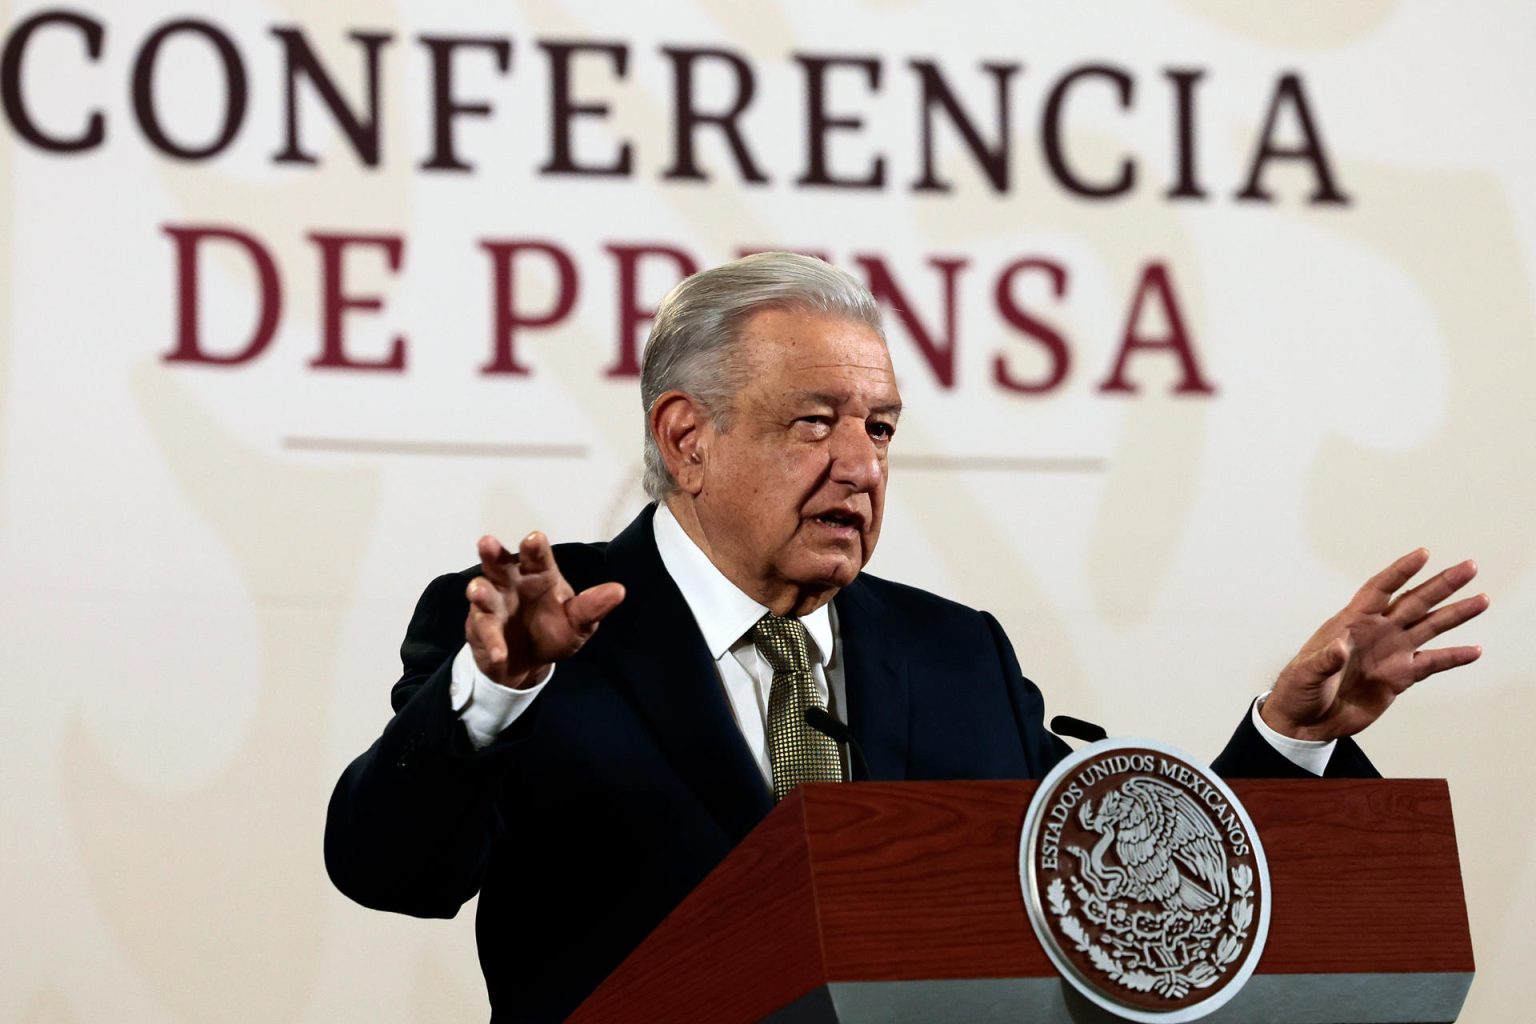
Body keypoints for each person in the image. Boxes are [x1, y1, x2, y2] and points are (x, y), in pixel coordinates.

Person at [324, 253, 1487, 1023]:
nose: (863, 466)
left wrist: (1287, 740)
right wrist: (491, 694)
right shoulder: (527, 633)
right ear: (686, 438)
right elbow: (390, 870)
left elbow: (1116, 919)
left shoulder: (953, 653)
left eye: (880, 427)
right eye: (814, 423)